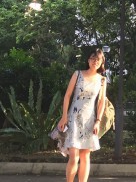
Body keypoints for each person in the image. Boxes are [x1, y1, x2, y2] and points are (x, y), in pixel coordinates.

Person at [57, 48, 107, 182]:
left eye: (98, 59)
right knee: (74, 156)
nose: (95, 61)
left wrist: (98, 121)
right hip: (73, 118)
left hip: (90, 120)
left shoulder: (102, 80)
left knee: (85, 156)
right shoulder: (77, 74)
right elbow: (67, 96)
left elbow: (101, 102)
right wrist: (64, 116)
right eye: (92, 58)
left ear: (102, 61)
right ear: (88, 60)